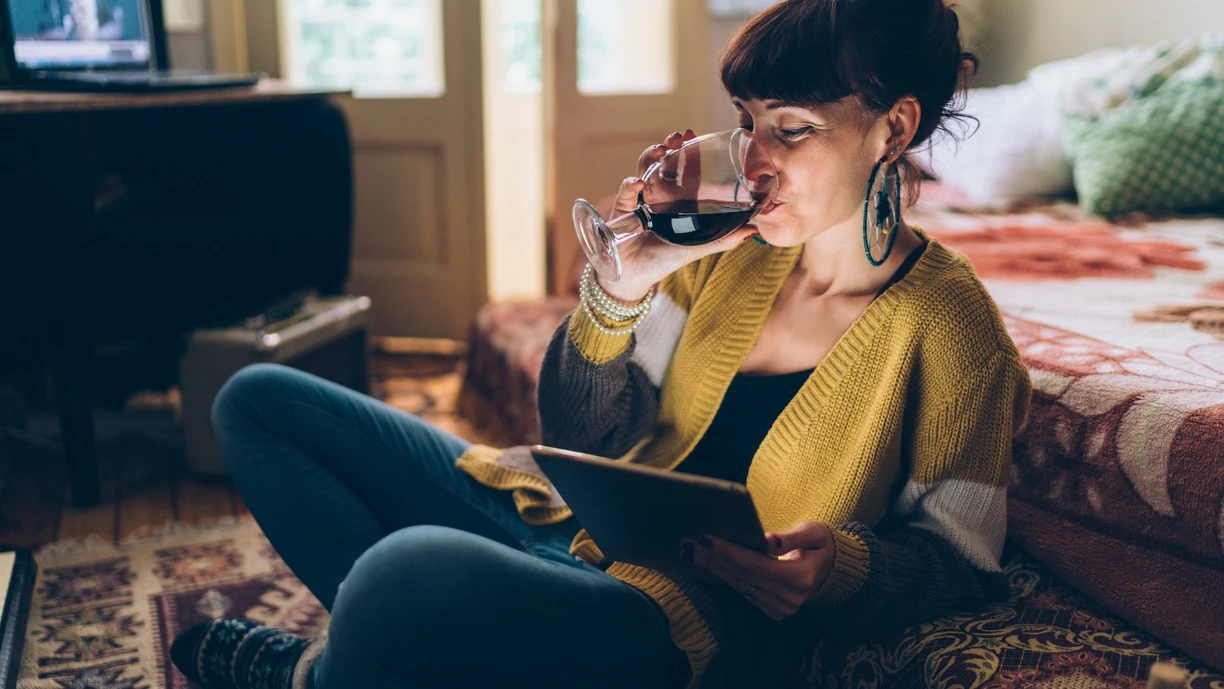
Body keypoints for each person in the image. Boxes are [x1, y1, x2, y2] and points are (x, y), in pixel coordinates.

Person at [170, 1, 1031, 687]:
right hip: (563, 527)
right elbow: (582, 439)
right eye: (747, 121)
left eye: (792, 128)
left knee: (405, 571)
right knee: (258, 401)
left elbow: (959, 564)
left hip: (663, 619)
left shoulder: (952, 332)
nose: (754, 160)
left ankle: (326, 670)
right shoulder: (723, 259)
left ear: (894, 127)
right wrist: (623, 285)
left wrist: (841, 567)